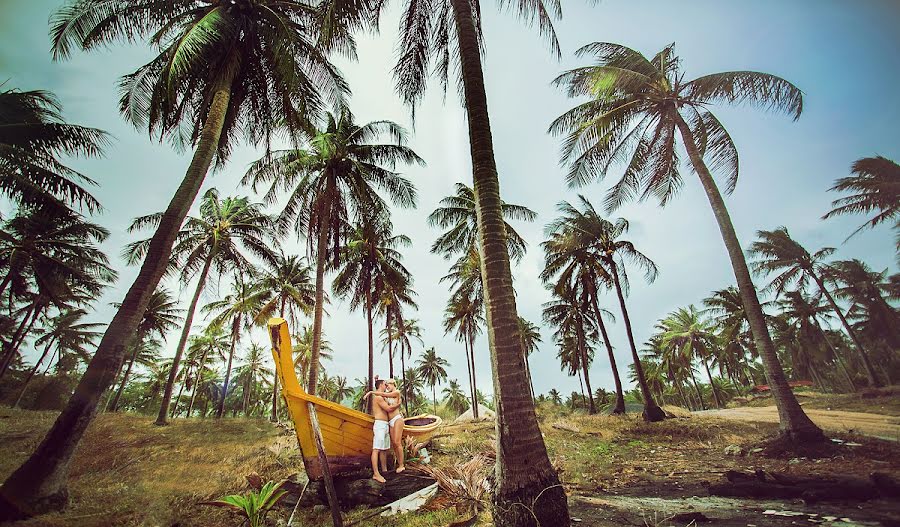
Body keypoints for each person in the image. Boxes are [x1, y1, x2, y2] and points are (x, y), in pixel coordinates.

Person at [365, 379, 406, 473]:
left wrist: (371, 392)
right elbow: (382, 395)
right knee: (394, 444)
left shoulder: (396, 392)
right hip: (388, 422)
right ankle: (387, 469)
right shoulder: (384, 396)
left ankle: (401, 465)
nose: (387, 386)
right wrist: (376, 381)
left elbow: (383, 395)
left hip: (396, 419)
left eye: (388, 384)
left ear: (393, 384)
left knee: (397, 442)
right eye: (385, 385)